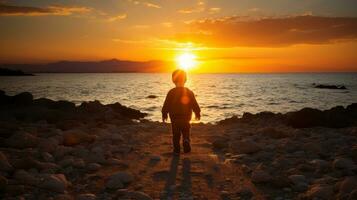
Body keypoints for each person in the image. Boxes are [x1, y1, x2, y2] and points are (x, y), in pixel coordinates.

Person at [162, 69, 201, 155]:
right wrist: (197, 112)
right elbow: (194, 103)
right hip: (186, 117)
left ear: (173, 80)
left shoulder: (171, 92)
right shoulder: (189, 92)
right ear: (186, 80)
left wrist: (164, 113)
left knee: (176, 134)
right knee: (186, 131)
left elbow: (166, 104)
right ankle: (186, 140)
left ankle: (176, 150)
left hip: (175, 117)